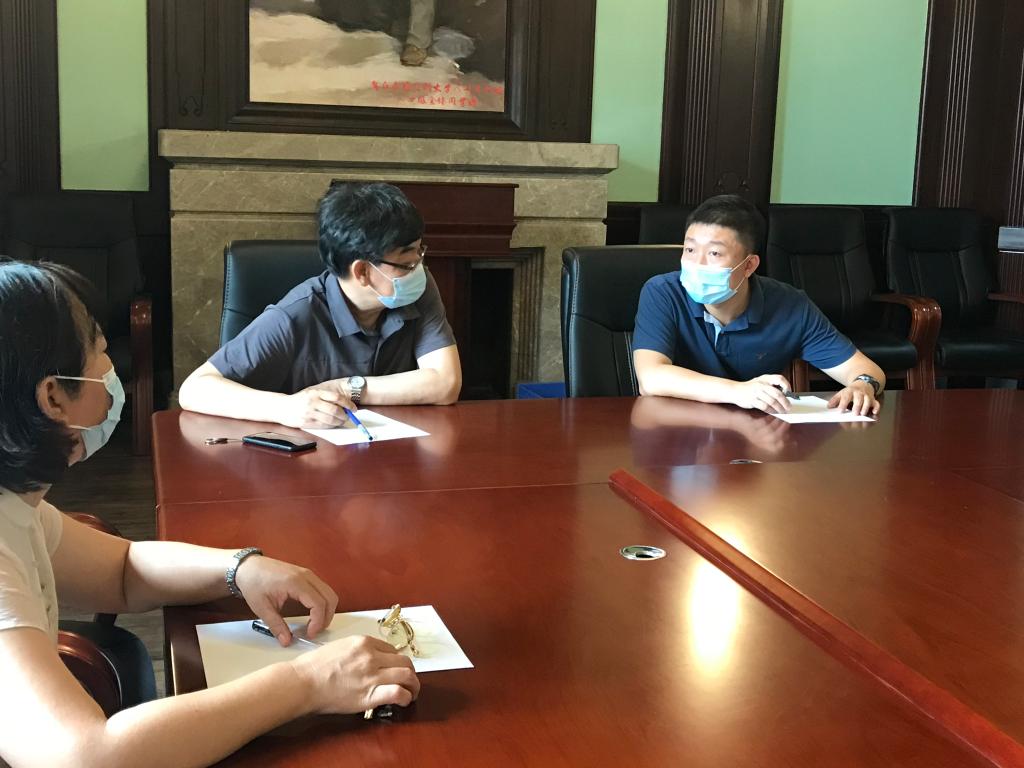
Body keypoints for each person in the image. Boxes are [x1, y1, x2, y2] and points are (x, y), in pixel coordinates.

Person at [0, 261, 419, 767]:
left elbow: (121, 570)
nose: (112, 371)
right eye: (101, 352)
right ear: (52, 397)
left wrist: (239, 568)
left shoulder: (16, 504)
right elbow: (85, 757)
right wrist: (308, 682)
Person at [178, 182, 462, 428]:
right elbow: (194, 390)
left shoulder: (417, 290)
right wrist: (287, 409)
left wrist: (347, 387)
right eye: (407, 262)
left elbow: (446, 383)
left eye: (419, 254)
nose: (418, 269)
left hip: (395, 454)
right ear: (362, 271)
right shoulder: (295, 314)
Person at [633, 195, 885, 417]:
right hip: (675, 430)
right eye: (690, 249)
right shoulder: (663, 292)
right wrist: (738, 391)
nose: (697, 264)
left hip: (752, 436)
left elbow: (867, 370)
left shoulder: (790, 306)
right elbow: (651, 377)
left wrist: (862, 385)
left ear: (749, 265)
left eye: (714, 253)